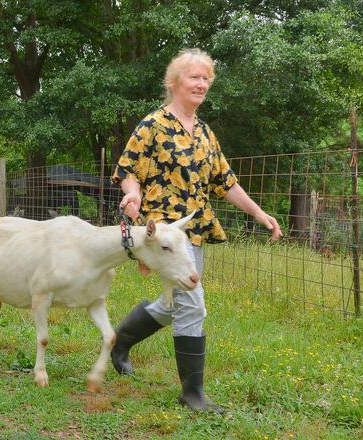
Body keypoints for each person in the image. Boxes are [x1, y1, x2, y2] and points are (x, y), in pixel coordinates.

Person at [110, 48, 282, 413]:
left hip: (196, 229)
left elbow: (225, 181)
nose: (201, 84)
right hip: (164, 232)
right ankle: (192, 395)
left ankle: (120, 342)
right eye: (194, 77)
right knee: (192, 302)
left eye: (206, 78)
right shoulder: (153, 125)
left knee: (173, 304)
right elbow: (129, 171)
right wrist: (133, 198)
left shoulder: (204, 132)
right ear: (175, 82)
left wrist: (259, 213)